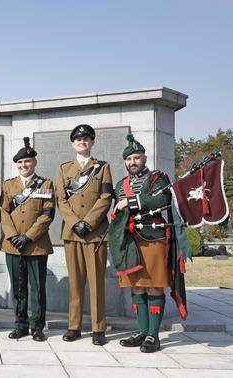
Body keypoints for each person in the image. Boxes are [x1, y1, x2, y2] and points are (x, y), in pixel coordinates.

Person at [110, 134, 173, 353]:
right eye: (129, 159)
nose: (133, 162)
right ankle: (142, 332)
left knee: (153, 285)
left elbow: (163, 200)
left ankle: (153, 336)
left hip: (152, 237)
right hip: (128, 240)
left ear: (144, 158)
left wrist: (133, 200)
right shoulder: (120, 184)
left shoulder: (157, 178)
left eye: (136, 158)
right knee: (136, 287)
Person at [55, 124, 113, 346]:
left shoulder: (102, 167)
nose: (82, 142)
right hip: (72, 233)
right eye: (78, 139)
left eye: (86, 139)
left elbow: (106, 197)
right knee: (75, 283)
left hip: (95, 233)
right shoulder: (63, 169)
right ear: (73, 143)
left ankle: (99, 328)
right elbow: (61, 199)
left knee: (97, 282)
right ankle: (74, 326)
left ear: (92, 142)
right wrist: (75, 223)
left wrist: (87, 223)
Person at [0, 137, 56, 342]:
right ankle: (20, 325)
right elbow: (4, 212)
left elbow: (47, 214)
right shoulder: (8, 185)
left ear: (34, 163)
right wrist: (14, 236)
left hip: (37, 245)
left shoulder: (46, 184)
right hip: (12, 244)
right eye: (20, 163)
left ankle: (37, 327)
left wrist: (28, 236)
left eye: (27, 161)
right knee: (18, 287)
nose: (24, 165)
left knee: (38, 288)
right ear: (17, 165)